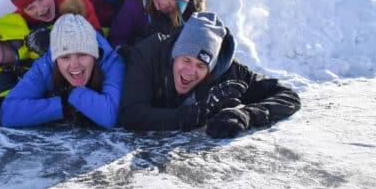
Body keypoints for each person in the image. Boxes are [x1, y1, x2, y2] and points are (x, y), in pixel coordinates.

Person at [119, 12, 301, 136]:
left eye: (201, 65)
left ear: (212, 67)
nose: (190, 72)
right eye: (186, 60)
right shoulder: (149, 53)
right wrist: (187, 116)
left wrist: (247, 115)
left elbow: (288, 96)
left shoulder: (229, 71)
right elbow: (131, 113)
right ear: (175, 54)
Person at [0, 0, 125, 129]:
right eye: (65, 57)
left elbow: (109, 115)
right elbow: (10, 112)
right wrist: (64, 105)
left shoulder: (111, 62)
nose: (74, 65)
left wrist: (73, 93)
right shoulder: (46, 65)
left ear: (94, 53)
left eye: (82, 54)